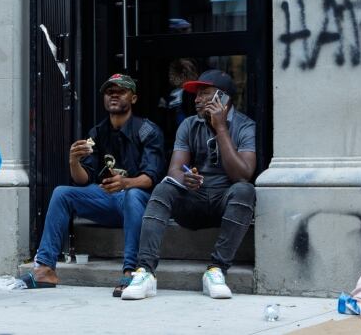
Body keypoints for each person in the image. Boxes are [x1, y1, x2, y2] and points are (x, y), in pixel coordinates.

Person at [122, 69, 256, 300]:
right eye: (196, 94)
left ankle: (216, 271)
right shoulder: (189, 125)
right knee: (164, 187)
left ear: (223, 98)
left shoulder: (244, 126)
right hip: (194, 202)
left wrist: (221, 128)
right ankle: (145, 272)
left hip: (225, 204)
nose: (196, 99)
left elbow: (242, 175)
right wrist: (187, 179)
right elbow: (174, 170)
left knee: (245, 190)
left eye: (204, 93)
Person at [29, 74, 166, 297]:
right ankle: (45, 268)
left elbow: (151, 178)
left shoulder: (147, 131)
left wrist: (125, 183)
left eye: (120, 90)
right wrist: (73, 161)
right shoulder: (97, 132)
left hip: (140, 203)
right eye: (109, 91)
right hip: (108, 200)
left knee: (132, 194)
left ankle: (131, 271)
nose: (113, 94)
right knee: (62, 193)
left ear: (133, 98)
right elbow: (83, 179)